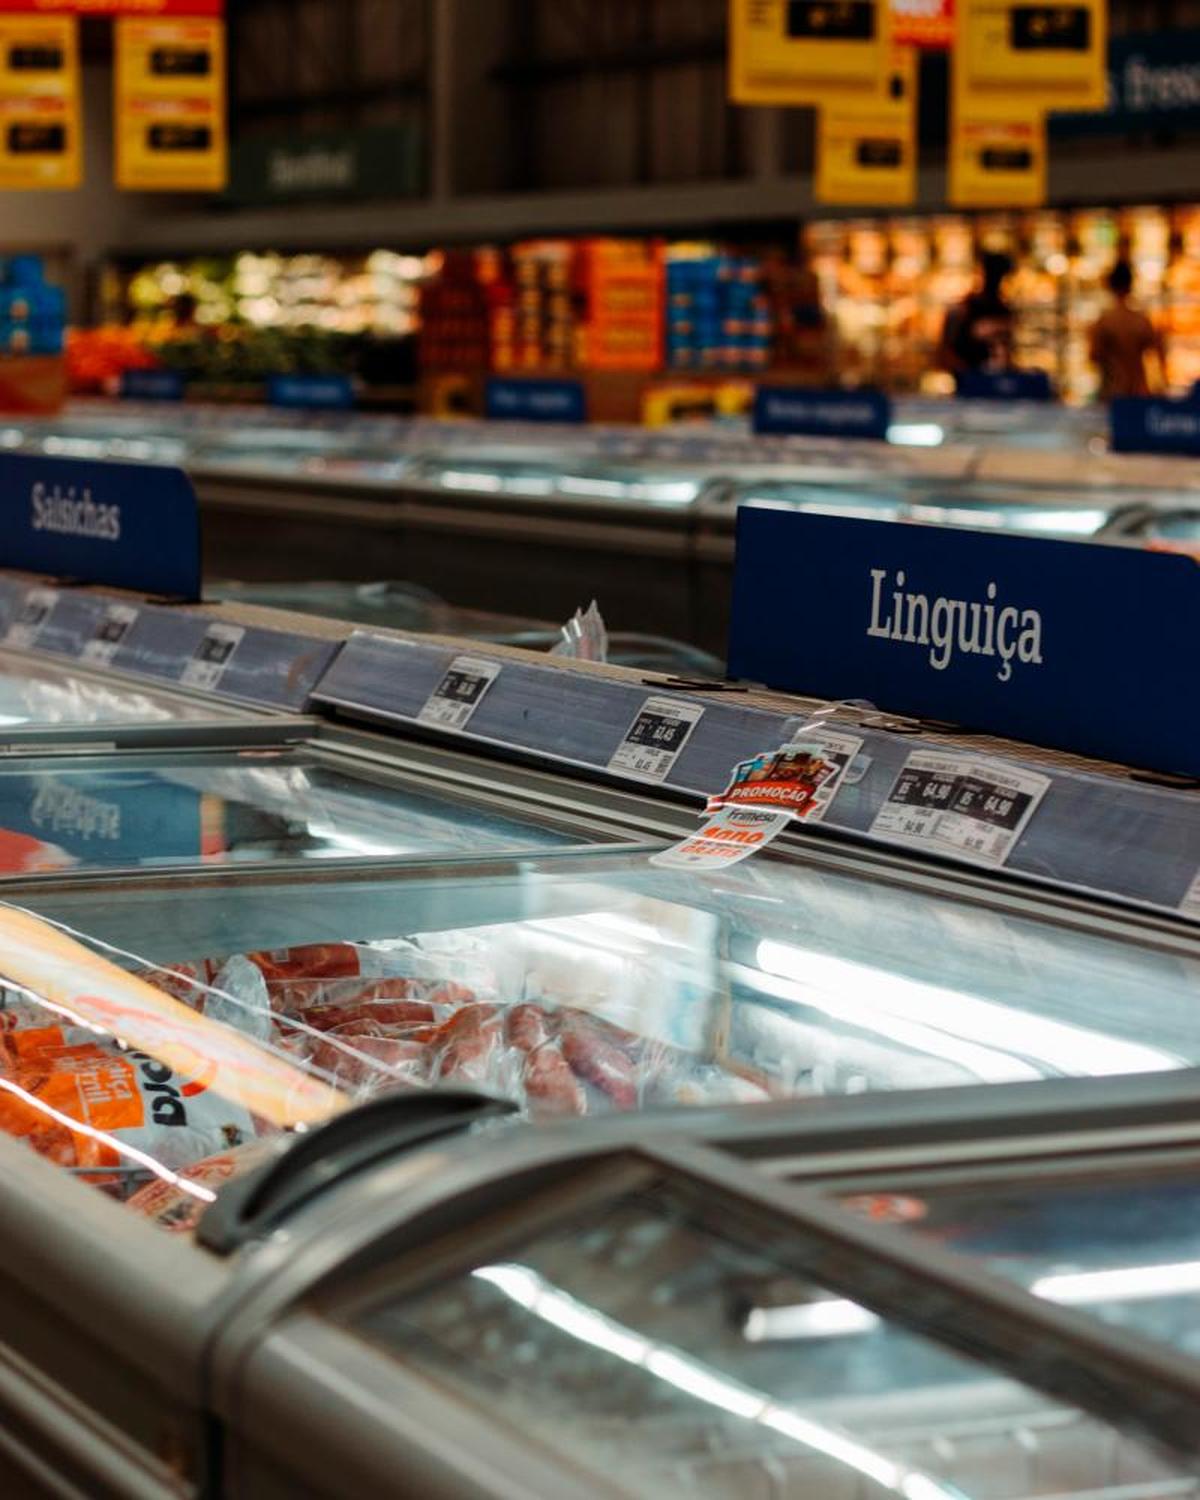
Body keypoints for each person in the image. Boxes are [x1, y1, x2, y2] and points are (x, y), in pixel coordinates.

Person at [1089, 260, 1165, 399]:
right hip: (1138, 389)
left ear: (1110, 286)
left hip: (1111, 391)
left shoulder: (1104, 321)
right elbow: (1157, 354)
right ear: (1130, 286)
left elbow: (1094, 356)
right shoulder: (1141, 320)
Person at [940, 251, 1015, 376]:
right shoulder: (967, 307)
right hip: (970, 378)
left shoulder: (1001, 308)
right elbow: (949, 349)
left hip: (991, 378)